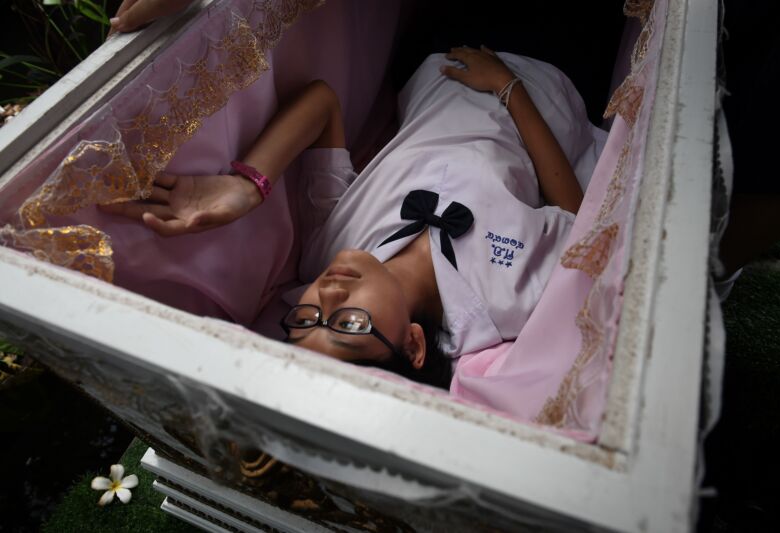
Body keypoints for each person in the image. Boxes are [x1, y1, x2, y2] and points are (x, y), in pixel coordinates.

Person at [103, 47, 604, 388]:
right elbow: (574, 216)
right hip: (551, 71)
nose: (328, 294)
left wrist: (248, 185)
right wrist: (507, 86)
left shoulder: (330, 249)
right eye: (347, 322)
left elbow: (320, 103)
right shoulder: (504, 303)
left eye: (305, 317)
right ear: (412, 344)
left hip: (439, 55)